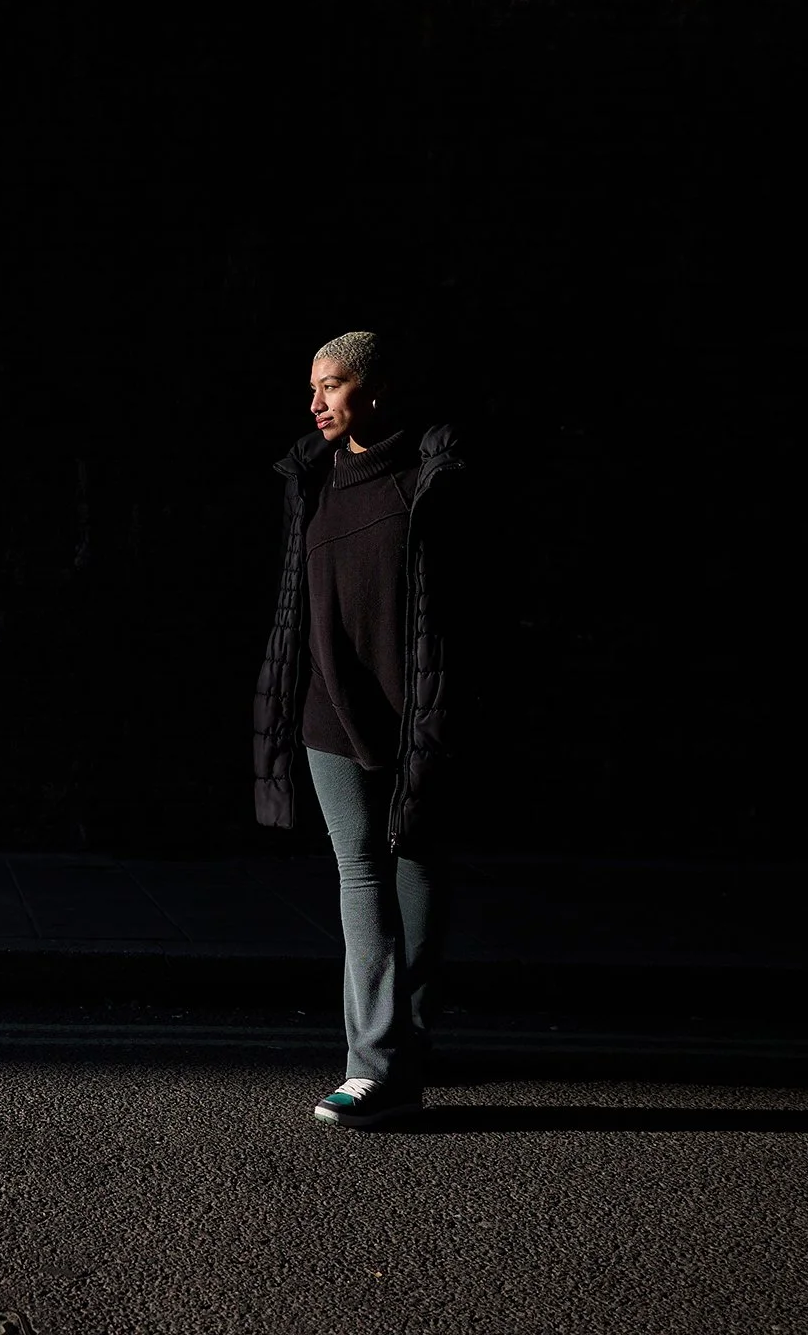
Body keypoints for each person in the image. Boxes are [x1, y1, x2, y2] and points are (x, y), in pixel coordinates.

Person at [251, 330, 469, 1129]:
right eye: (312, 386)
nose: (316, 402)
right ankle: (372, 1065)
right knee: (362, 871)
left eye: (333, 385)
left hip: (415, 709)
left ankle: (404, 1051)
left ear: (374, 393)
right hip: (326, 711)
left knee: (416, 868)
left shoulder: (434, 476)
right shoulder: (309, 476)